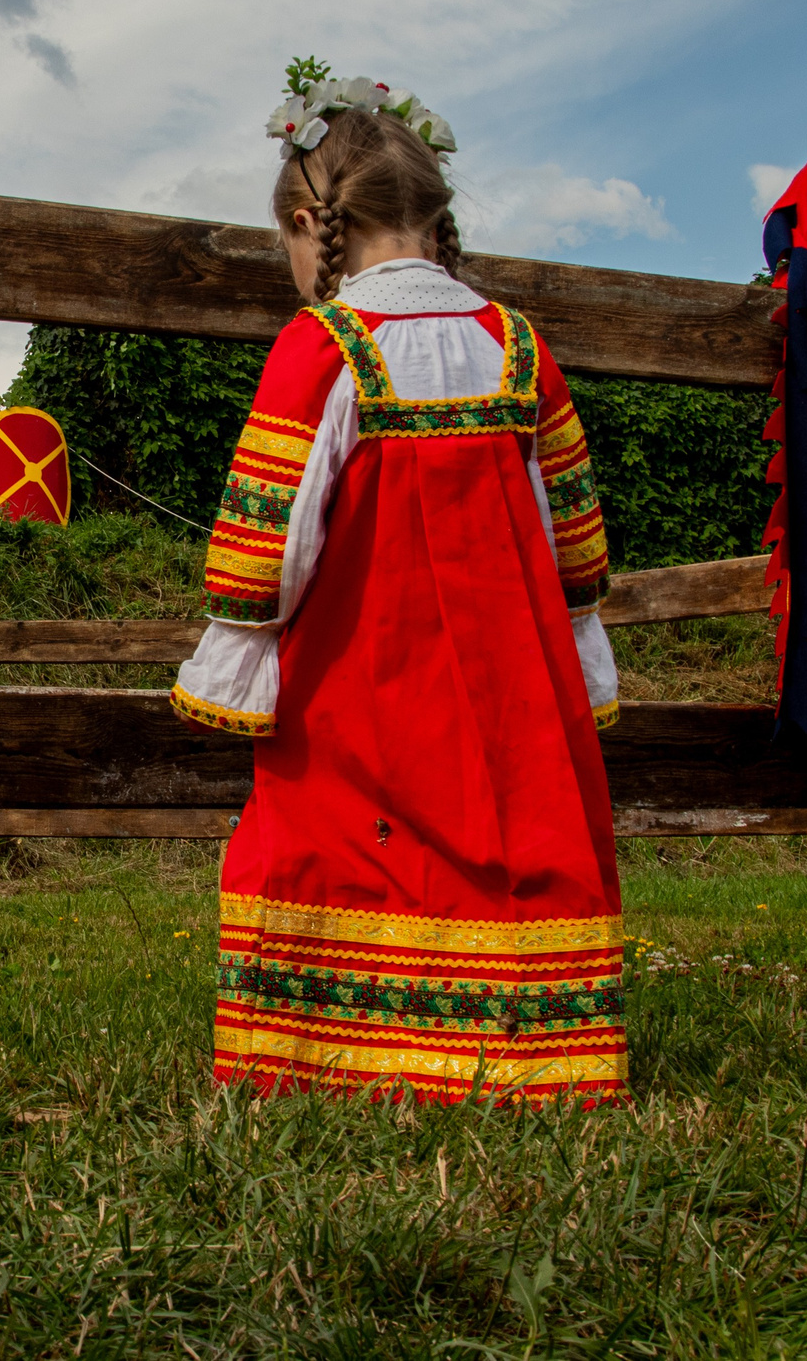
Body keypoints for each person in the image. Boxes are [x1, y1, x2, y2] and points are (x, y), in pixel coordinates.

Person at [169, 72, 626, 1107]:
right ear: (437, 220)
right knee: (515, 833)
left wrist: (242, 645)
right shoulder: (521, 351)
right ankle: (521, 1055)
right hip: (512, 684)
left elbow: (263, 555)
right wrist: (579, 646)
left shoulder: (322, 349)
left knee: (338, 837)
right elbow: (577, 547)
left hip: (363, 675)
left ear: (307, 222)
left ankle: (341, 1052)